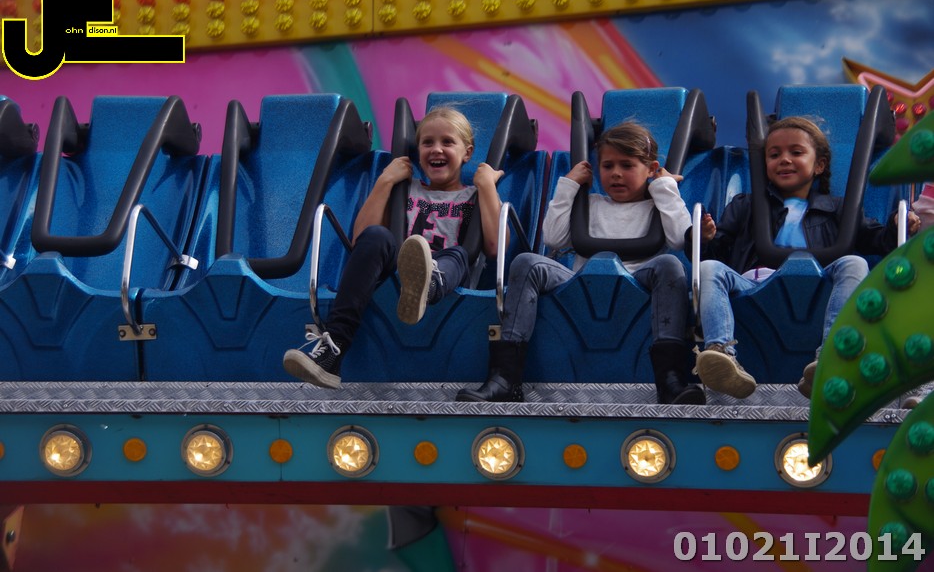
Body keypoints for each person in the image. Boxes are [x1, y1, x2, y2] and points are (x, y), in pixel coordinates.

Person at [456, 121, 705, 405]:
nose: (616, 173)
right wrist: (569, 185)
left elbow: (679, 238)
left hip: (638, 283)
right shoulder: (591, 204)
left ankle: (670, 379)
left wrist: (664, 187)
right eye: (608, 166)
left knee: (670, 265)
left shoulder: (659, 204)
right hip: (582, 284)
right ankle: (505, 378)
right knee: (526, 262)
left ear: (651, 169)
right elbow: (553, 237)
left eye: (627, 165)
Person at [689, 116, 921, 399]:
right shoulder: (746, 205)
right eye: (774, 155)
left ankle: (833, 355)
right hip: (756, 285)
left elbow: (878, 239)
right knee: (709, 268)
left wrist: (898, 225)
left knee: (855, 263)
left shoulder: (838, 209)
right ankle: (721, 354)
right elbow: (718, 252)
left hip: (818, 286)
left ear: (819, 165)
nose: (784, 160)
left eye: (796, 152)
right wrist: (704, 237)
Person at [283, 106, 505, 388]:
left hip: (449, 280)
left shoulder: (474, 195)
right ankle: (332, 350)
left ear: (467, 153)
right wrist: (386, 180)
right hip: (400, 277)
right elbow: (361, 240)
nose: (436, 149)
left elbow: (496, 247)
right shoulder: (405, 190)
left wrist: (487, 186)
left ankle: (429, 283)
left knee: (458, 253)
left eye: (447, 142)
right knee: (378, 235)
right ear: (418, 150)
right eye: (427, 142)